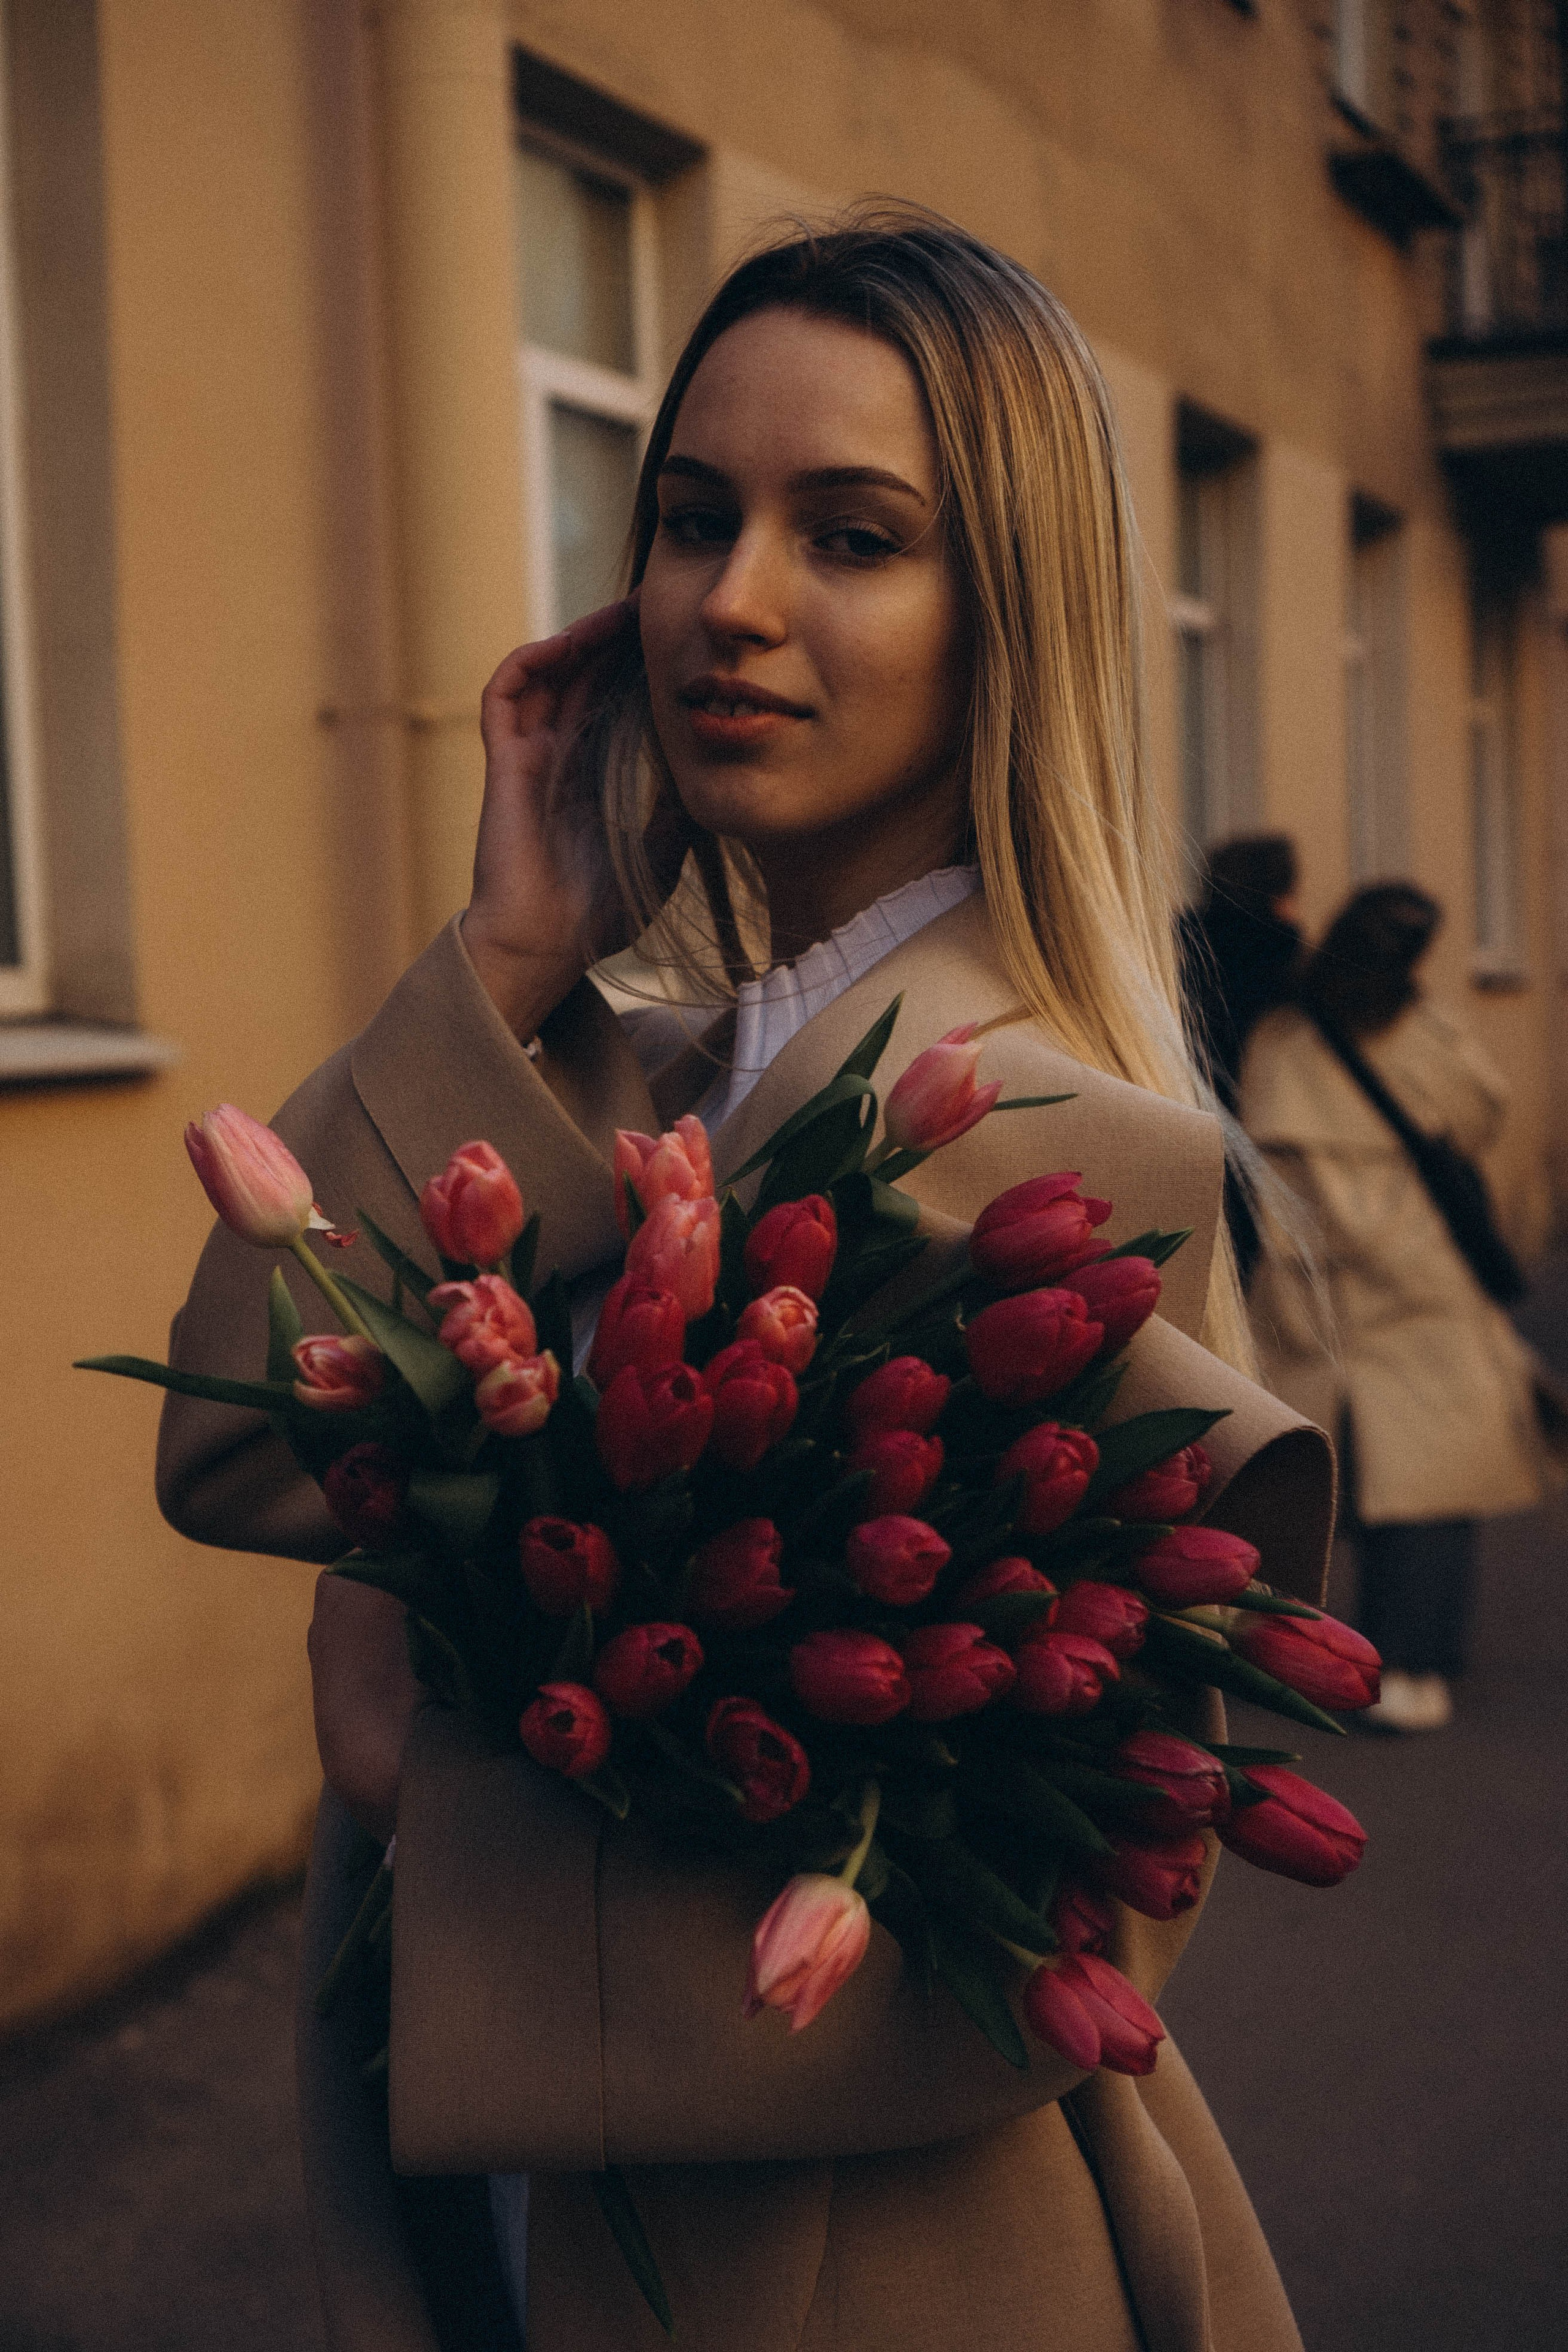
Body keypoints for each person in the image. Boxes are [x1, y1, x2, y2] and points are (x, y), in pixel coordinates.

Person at [155, 209, 1332, 2351]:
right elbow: (233, 1425)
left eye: (853, 534)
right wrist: (511, 951)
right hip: (559, 2228)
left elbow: (1068, 1931)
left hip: (868, 2282)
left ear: (1013, 622)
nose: (730, 602)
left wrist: (432, 1775)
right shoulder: (658, 1076)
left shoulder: (1061, 1148)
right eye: (692, 517)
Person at [1241, 881, 1559, 1734]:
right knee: (1427, 1484)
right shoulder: (1422, 1036)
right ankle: (1415, 1662)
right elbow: (1483, 1107)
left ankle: (1330, 1652)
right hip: (1419, 1278)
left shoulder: (1284, 1034)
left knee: (1337, 1476)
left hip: (1313, 1280)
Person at [1178, 835, 1305, 1287]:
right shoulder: (1286, 958)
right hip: (1263, 1127)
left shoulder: (1178, 944)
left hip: (1186, 1111)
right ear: (1280, 893)